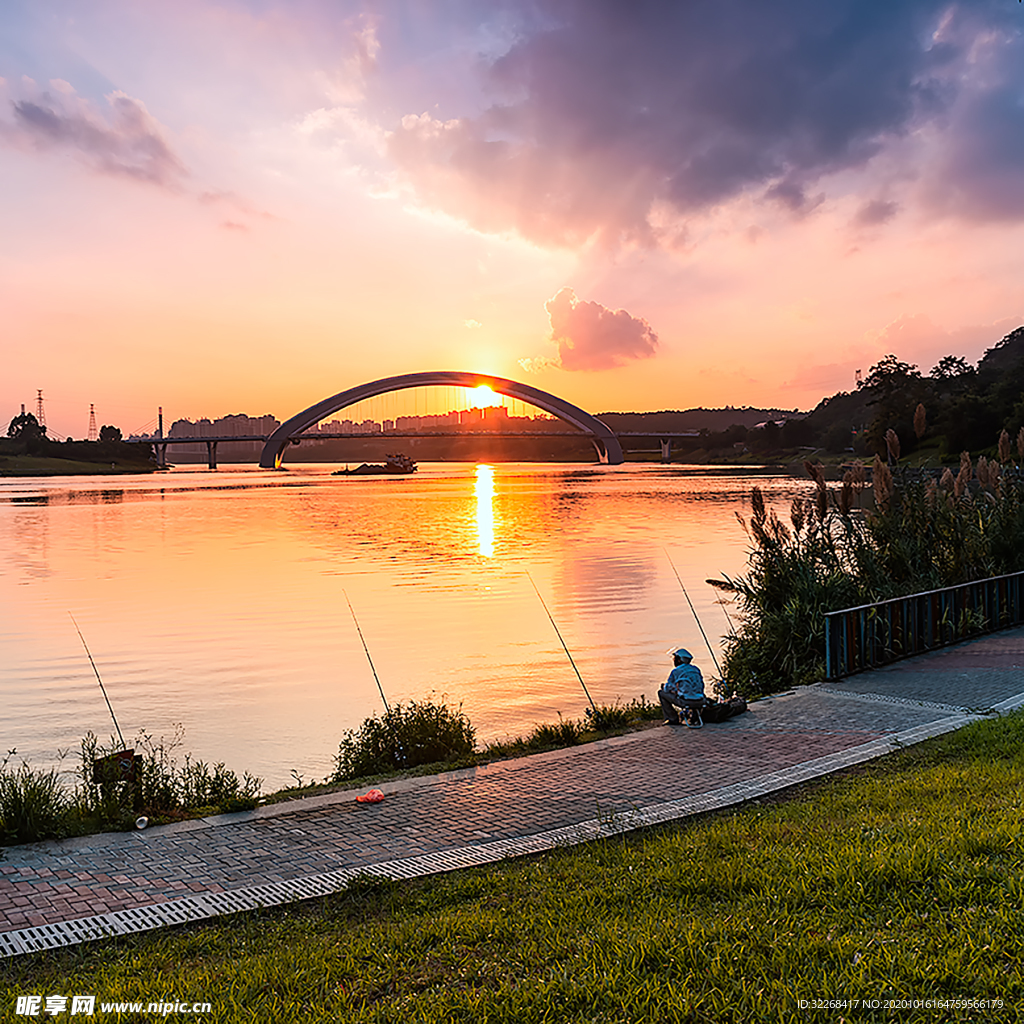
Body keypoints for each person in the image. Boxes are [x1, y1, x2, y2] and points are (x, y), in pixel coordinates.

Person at [660, 647, 706, 728]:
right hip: (701, 701)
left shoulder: (676, 671)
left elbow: (668, 688)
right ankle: (695, 714)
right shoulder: (696, 669)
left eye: (675, 658)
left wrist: (664, 687)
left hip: (686, 701)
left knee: (661, 693)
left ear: (679, 660)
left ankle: (672, 719)